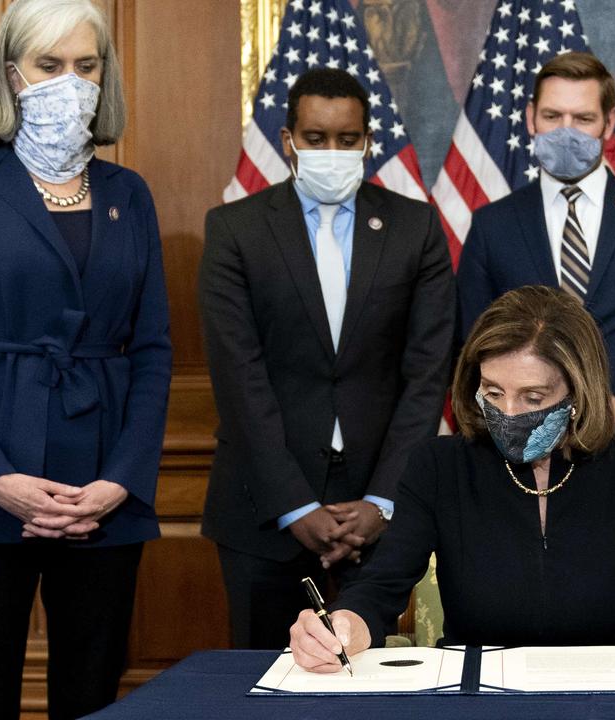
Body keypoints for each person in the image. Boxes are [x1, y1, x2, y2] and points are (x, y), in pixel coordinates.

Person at [0, 0, 172, 718]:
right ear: (12, 74)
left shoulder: (129, 194)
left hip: (101, 489)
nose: (71, 81)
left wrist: (121, 482)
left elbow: (152, 352)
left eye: (87, 65)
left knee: (92, 695)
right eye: (51, 65)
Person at [289, 286, 615, 670]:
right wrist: (345, 625)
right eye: (493, 392)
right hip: (469, 690)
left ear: (578, 392)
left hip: (595, 690)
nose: (509, 413)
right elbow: (382, 587)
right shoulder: (439, 465)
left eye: (533, 397)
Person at [199, 68, 455, 650]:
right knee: (263, 685)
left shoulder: (415, 228)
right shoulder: (234, 230)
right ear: (289, 140)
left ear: (368, 141)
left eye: (347, 140)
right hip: (262, 512)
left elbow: (427, 375)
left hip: (381, 512)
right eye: (316, 139)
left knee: (372, 691)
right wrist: (295, 506)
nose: (331, 152)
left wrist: (383, 501)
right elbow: (240, 378)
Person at [455, 52, 615, 494]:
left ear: (609, 122)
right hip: (520, 463)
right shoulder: (492, 225)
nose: (566, 131)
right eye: (552, 115)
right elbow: (469, 347)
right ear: (530, 119)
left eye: (582, 118)